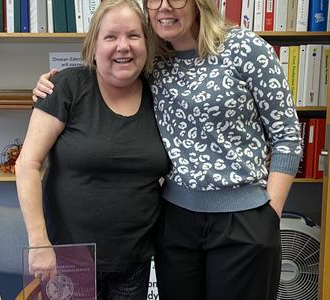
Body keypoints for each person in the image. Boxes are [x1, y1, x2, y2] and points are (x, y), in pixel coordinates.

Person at [32, 0, 302, 299]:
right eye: (154, 0)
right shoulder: (155, 60)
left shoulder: (246, 48)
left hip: (243, 221)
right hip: (175, 224)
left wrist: (269, 216)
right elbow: (108, 77)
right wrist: (50, 87)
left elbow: (287, 136)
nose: (164, 7)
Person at [15, 1, 170, 299]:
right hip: (70, 260)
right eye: (111, 36)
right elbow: (27, 165)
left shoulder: (159, 93)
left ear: (147, 43)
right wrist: (39, 242)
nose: (123, 46)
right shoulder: (66, 87)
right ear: (94, 44)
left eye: (134, 36)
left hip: (134, 260)